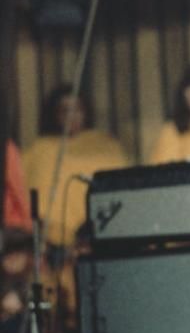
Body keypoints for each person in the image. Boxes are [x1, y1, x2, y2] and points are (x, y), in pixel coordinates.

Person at [22, 86, 128, 248]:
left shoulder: (106, 146)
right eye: (64, 110)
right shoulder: (40, 148)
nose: (71, 116)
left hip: (98, 236)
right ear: (54, 114)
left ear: (86, 112)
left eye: (77, 109)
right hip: (49, 243)